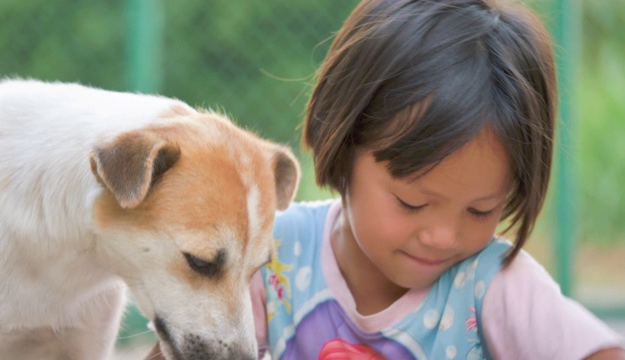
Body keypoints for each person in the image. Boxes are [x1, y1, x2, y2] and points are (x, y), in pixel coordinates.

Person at [147, 0, 625, 359]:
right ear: (342, 139)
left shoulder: (490, 282)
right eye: (412, 203)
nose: (444, 235)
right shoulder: (274, 255)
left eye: (482, 209)